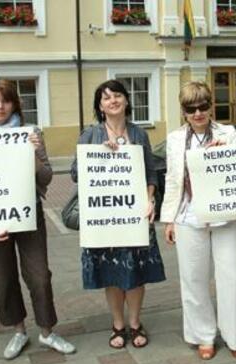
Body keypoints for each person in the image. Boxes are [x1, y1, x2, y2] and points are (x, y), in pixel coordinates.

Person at [0, 79, 75, 359]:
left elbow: (46, 176)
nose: (0, 106)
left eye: (6, 100)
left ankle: (47, 332)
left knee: (39, 275)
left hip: (28, 212)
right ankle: (19, 332)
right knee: (3, 276)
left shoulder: (30, 132)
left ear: (15, 104)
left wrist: (33, 153)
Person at [71, 79, 165, 349]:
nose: (112, 101)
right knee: (111, 273)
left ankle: (135, 323)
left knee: (135, 273)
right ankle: (118, 325)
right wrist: (100, 154)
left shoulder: (139, 134)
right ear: (100, 106)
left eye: (117, 96)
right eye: (105, 98)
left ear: (126, 101)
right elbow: (78, 173)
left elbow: (150, 172)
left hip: (135, 215)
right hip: (105, 218)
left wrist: (150, 200)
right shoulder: (90, 135)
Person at [161, 81, 236, 360]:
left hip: (225, 215)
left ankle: (234, 338)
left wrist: (224, 152)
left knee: (230, 277)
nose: (198, 113)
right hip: (189, 214)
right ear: (183, 111)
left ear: (211, 106)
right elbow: (172, 181)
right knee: (193, 279)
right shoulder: (175, 139)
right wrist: (169, 220)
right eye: (191, 108)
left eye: (203, 106)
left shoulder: (229, 133)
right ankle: (203, 336)